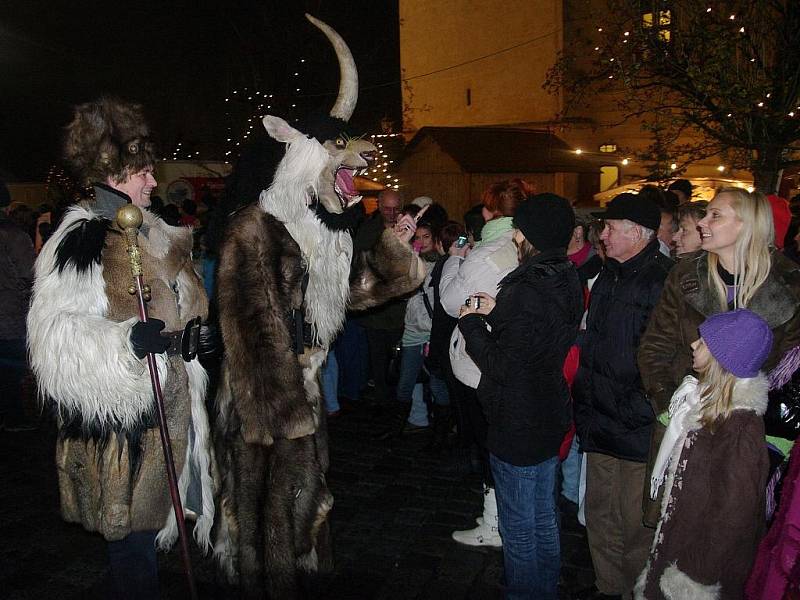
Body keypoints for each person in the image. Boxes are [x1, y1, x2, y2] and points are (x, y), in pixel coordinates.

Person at [26, 98, 215, 599]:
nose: (154, 182)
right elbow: (54, 335)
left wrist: (197, 337)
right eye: (144, 172)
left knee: (144, 539)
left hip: (171, 406)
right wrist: (127, 340)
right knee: (131, 544)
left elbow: (183, 304)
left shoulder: (153, 231)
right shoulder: (83, 237)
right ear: (116, 172)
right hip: (123, 426)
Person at [638, 187, 800, 528]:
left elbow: (791, 370)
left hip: (752, 435)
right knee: (677, 530)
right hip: (685, 424)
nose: (703, 224)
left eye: (716, 216)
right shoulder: (685, 275)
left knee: (732, 536)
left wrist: (762, 428)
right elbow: (655, 347)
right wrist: (671, 406)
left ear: (747, 225)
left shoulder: (790, 285)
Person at [459, 193, 583, 599]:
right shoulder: (564, 274)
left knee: (519, 526)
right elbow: (536, 334)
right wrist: (498, 310)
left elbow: (502, 365)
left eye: (518, 228)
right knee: (544, 514)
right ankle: (544, 588)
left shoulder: (529, 286)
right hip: (548, 409)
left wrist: (473, 323)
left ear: (529, 234)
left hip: (520, 418)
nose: (513, 234)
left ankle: (526, 592)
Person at [573, 192, 673, 600]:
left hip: (635, 423)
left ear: (637, 233)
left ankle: (636, 591)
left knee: (636, 523)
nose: (603, 235)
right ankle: (607, 586)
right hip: (600, 416)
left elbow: (666, 355)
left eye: (611, 228)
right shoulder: (610, 273)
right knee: (600, 512)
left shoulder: (663, 279)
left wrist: (640, 407)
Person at [636, 309, 771, 599]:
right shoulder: (707, 407)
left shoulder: (740, 429)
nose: (694, 345)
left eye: (705, 342)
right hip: (680, 544)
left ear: (725, 359)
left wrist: (695, 575)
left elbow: (732, 513)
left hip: (695, 569)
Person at [440, 179, 527, 548]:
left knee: (488, 445)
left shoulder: (486, 251)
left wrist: (455, 260)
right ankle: (502, 518)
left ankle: (495, 524)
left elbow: (450, 301)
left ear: (489, 211)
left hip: (480, 363)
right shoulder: (525, 246)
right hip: (510, 357)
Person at [0, 183, 36, 432]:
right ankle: (14, 417)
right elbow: (29, 273)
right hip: (10, 312)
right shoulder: (13, 235)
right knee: (12, 369)